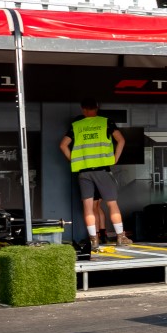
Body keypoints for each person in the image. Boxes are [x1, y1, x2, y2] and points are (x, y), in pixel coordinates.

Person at [60, 99, 128, 251]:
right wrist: (115, 158)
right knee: (112, 204)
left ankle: (94, 240)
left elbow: (62, 145)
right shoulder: (106, 122)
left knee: (88, 207)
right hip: (102, 170)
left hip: (84, 172)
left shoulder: (76, 126)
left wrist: (75, 161)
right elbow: (121, 140)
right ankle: (120, 236)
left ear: (82, 109)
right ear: (97, 107)